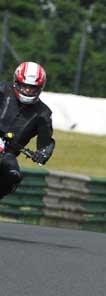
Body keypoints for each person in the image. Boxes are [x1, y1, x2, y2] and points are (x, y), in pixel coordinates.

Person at [0, 62, 55, 201]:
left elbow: (46, 141)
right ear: (16, 82)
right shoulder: (2, 90)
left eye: (32, 88)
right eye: (24, 86)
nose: (28, 91)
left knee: (13, 175)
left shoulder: (43, 113)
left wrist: (42, 153)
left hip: (8, 152)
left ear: (40, 88)